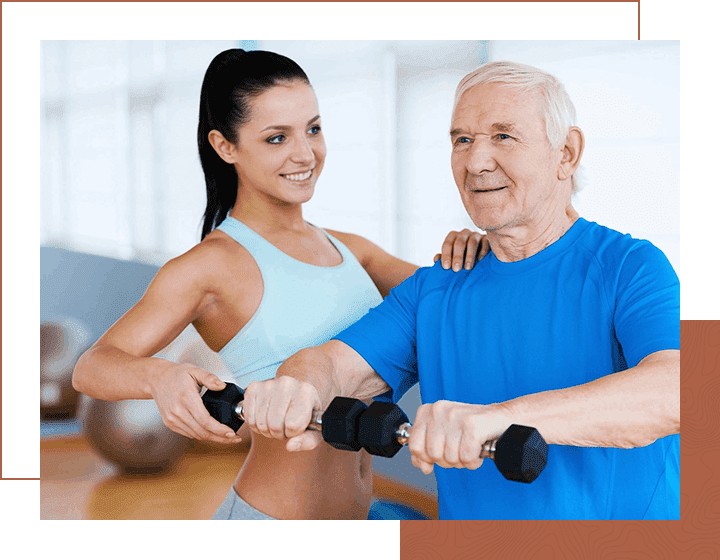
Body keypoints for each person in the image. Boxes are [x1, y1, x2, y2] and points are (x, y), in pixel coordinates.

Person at [241, 61, 680, 520]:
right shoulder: (438, 284)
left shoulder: (629, 266)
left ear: (565, 153)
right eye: (462, 140)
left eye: (503, 136)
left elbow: (676, 390)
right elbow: (334, 364)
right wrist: (296, 386)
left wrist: (499, 417)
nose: (476, 162)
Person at [72, 48, 487, 521]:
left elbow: (456, 300)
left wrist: (470, 249)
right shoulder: (209, 266)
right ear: (225, 146)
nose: (305, 153)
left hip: (359, 515)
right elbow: (92, 368)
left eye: (313, 128)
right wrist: (161, 377)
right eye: (276, 138)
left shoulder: (354, 251)